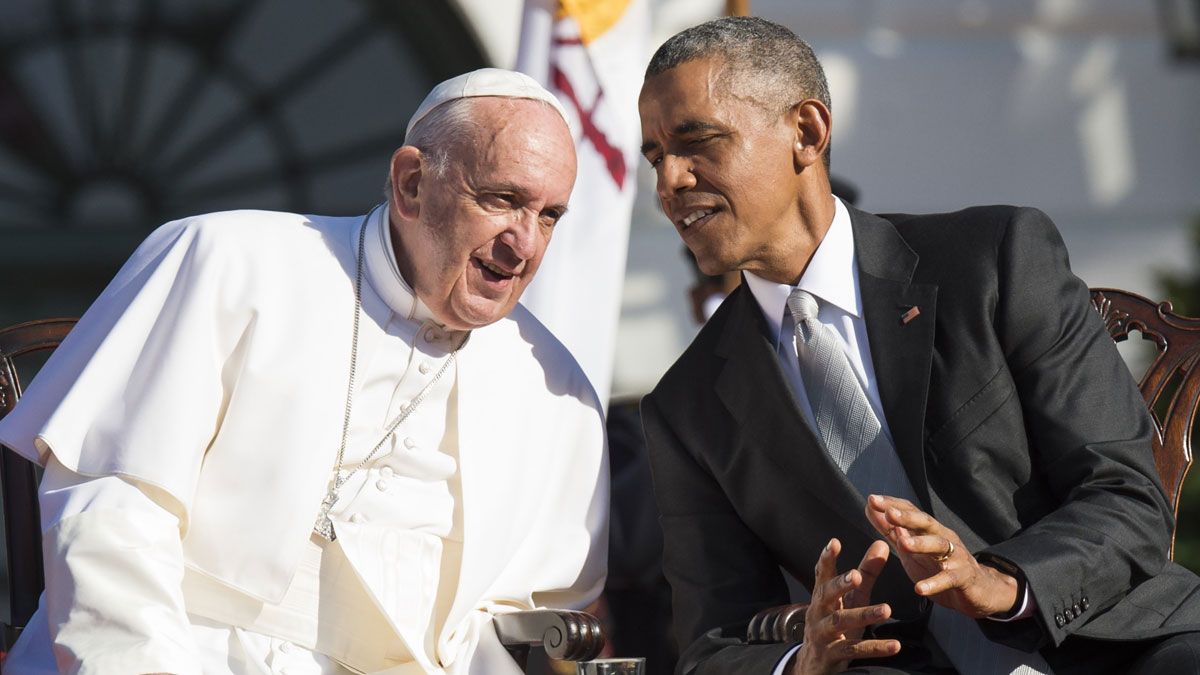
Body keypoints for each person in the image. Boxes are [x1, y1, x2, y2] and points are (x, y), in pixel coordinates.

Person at [637, 16, 1200, 675]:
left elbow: (1126, 495)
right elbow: (712, 645)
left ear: (807, 132)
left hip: (1117, 646)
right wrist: (802, 660)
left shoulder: (994, 262)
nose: (668, 181)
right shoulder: (687, 404)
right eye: (655, 157)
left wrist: (1000, 585)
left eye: (697, 143)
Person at [0, 68, 608, 674]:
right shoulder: (228, 261)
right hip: (193, 648)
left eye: (549, 215)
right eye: (502, 200)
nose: (524, 245)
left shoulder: (556, 387)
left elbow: (536, 617)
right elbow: (111, 516)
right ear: (412, 184)